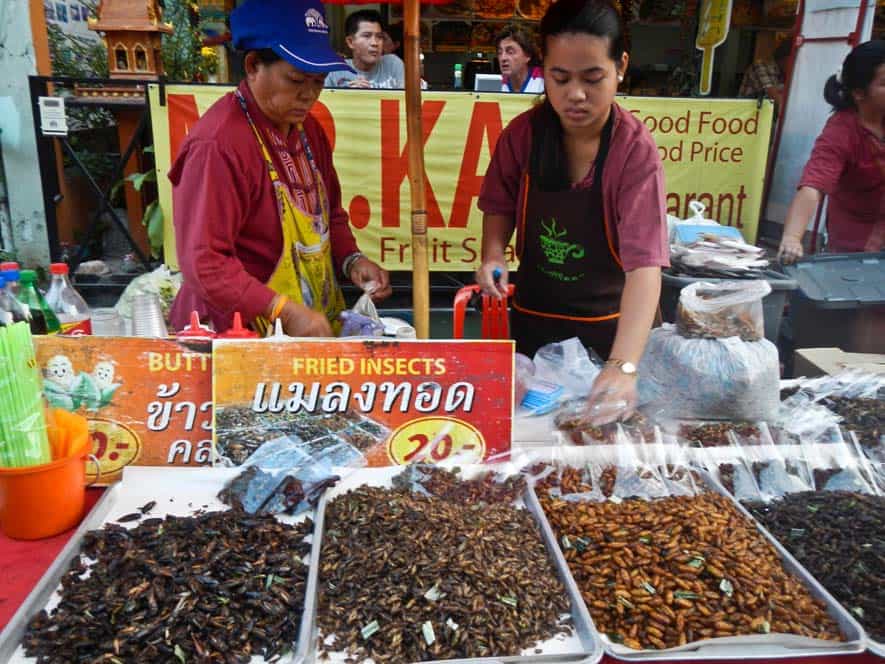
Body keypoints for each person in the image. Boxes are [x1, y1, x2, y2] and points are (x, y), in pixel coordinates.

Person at [477, 0, 668, 419]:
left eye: (593, 78)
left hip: (611, 331)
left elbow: (645, 267)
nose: (575, 94)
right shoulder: (522, 136)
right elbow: (498, 205)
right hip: (534, 322)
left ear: (621, 66)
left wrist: (624, 366)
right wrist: (493, 251)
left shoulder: (633, 151)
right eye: (560, 78)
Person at [168, 0, 391, 336]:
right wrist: (285, 312)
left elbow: (329, 214)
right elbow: (206, 264)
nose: (310, 95)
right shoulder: (218, 145)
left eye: (318, 81)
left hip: (302, 320)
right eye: (297, 79)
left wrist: (351, 260)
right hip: (233, 331)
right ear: (254, 65)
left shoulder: (309, 131)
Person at [778, 40, 885, 263]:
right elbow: (814, 185)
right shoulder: (841, 130)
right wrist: (792, 238)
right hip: (855, 252)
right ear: (859, 93)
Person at [324, 10, 405, 89]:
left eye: (379, 36)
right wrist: (349, 96)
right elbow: (322, 101)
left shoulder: (393, 64)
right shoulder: (336, 71)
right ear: (350, 42)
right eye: (367, 36)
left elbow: (405, 100)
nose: (375, 43)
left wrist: (368, 95)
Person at [739, 39, 791, 107]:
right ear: (786, 58)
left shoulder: (784, 72)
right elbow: (776, 99)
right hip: (746, 113)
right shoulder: (761, 66)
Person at [496, 26, 544, 94]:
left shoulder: (545, 82)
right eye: (499, 52)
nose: (503, 58)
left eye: (510, 52)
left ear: (528, 55)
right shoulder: (496, 83)